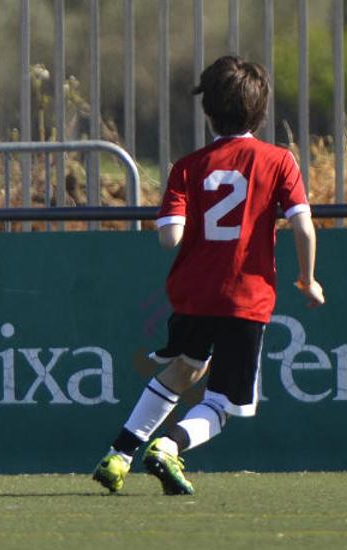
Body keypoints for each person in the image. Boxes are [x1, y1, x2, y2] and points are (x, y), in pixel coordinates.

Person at [91, 55, 326, 495]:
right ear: (261, 110)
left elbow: (169, 239)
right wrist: (308, 280)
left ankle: (119, 455)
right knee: (223, 403)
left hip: (193, 295)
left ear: (208, 111)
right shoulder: (279, 162)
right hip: (245, 298)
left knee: (184, 369)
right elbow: (303, 226)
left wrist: (178, 223)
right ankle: (168, 446)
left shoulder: (187, 166)